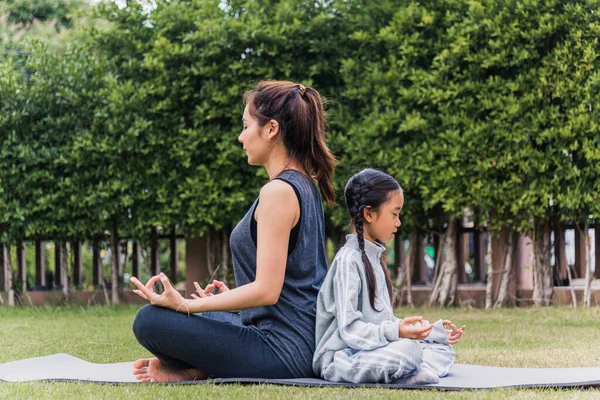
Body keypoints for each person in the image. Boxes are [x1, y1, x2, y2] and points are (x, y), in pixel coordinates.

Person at [129, 80, 336, 382]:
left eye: (246, 126)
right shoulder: (303, 184)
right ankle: (199, 367)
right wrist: (233, 298)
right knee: (206, 316)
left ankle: (199, 368)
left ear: (271, 129)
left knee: (150, 321)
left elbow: (267, 290)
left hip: (284, 350)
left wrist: (188, 303)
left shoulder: (278, 192)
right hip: (289, 337)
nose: (241, 137)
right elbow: (287, 281)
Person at [313, 168, 465, 384]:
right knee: (409, 351)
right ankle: (409, 370)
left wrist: (431, 332)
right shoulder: (348, 261)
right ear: (369, 214)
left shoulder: (374, 258)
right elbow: (349, 331)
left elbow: (383, 323)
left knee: (442, 349)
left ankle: (410, 371)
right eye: (394, 214)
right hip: (342, 357)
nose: (398, 222)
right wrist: (397, 332)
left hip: (372, 350)